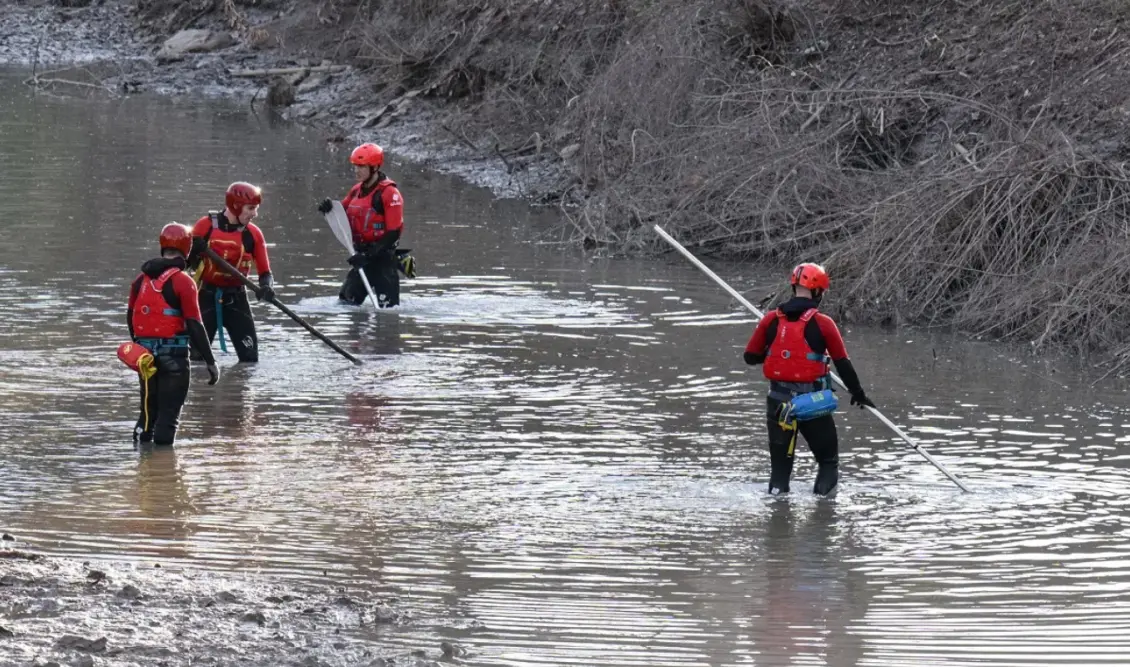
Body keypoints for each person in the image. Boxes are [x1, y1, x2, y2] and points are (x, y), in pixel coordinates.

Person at [743, 263, 876, 496]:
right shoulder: (824, 323)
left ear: (794, 287)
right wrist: (859, 394)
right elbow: (842, 363)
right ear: (817, 292)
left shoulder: (770, 320)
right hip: (811, 402)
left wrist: (776, 351)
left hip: (777, 402)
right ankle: (824, 519)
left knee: (779, 472)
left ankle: (777, 519)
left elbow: (750, 357)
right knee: (828, 462)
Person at [126, 223, 220, 446]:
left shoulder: (140, 281)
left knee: (146, 417)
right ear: (187, 249)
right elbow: (195, 324)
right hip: (174, 359)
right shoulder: (183, 281)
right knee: (167, 422)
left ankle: (140, 462)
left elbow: (131, 318)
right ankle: (161, 473)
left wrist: (139, 349)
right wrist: (211, 362)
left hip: (145, 359)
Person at [187, 181, 275, 362]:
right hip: (206, 297)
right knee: (195, 362)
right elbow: (184, 264)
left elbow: (265, 272)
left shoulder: (254, 234)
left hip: (237, 300)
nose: (254, 214)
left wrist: (266, 287)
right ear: (236, 206)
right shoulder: (205, 226)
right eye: (250, 208)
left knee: (250, 361)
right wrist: (193, 250)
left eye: (256, 208)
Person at [318, 142, 406, 308]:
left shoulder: (390, 193)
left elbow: (393, 232)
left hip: (382, 260)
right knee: (345, 303)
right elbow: (341, 213)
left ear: (374, 167)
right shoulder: (356, 190)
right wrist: (328, 207)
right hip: (361, 258)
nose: (356, 171)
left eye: (362, 167)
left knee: (388, 310)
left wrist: (368, 256)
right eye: (355, 166)